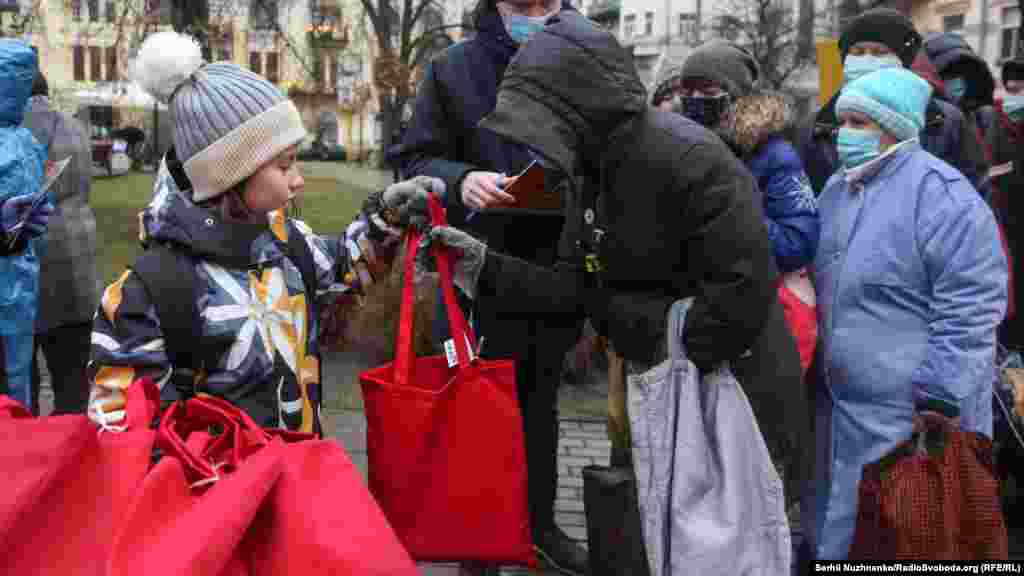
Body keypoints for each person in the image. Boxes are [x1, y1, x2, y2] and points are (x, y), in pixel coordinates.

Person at [388, 9, 809, 519]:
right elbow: (573, 285)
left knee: (730, 544)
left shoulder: (690, 162)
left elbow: (738, 302)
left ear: (580, 110)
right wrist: (480, 265)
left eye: (543, 126)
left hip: (733, 395)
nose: (537, 144)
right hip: (670, 380)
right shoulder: (593, 167)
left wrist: (640, 330)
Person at [87, 31, 398, 435]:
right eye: (284, 165)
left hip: (301, 482)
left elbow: (345, 263)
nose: (298, 179)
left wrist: (387, 217)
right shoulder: (147, 293)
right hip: (214, 493)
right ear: (229, 175)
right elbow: (119, 429)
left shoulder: (288, 245)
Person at [397, 0, 589, 570]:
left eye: (544, 4)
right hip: (474, 274)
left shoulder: (583, 60)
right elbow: (412, 160)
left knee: (540, 407)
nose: (533, 14)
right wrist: (463, 181)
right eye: (520, 5)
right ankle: (477, 547)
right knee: (473, 416)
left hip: (554, 267)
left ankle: (539, 527)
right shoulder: (452, 68)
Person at [805, 67, 1006, 560]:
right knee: (843, 533)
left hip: (909, 420)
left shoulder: (942, 195)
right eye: (843, 122)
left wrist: (941, 393)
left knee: (901, 541)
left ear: (895, 126)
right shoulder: (838, 189)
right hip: (841, 410)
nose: (846, 134)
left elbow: (971, 306)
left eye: (860, 122)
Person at [675, 41, 820, 378]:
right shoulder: (679, 146)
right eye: (689, 89)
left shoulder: (774, 156)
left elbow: (798, 243)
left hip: (757, 319)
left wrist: (730, 214)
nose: (696, 98)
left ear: (736, 93)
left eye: (708, 89)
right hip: (696, 314)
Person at [797, 9, 986, 198]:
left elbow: (972, 192)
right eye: (858, 52)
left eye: (879, 52)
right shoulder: (816, 126)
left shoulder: (944, 120)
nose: (868, 59)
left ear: (903, 62)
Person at [21, 70, 100, 416]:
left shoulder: (12, 131)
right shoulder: (74, 127)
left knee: (22, 378)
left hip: (26, 255)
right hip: (76, 255)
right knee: (72, 378)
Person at [0, 39, 55, 410]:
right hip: (18, 271)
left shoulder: (28, 143)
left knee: (15, 372)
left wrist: (30, 220)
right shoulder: (27, 143)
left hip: (20, 270)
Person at [987, 57, 1024, 349]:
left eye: (1020, 89)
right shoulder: (991, 122)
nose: (1016, 96)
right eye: (1011, 90)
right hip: (1002, 220)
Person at [924, 32, 997, 137]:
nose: (957, 83)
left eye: (962, 74)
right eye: (946, 75)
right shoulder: (919, 123)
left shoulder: (984, 118)